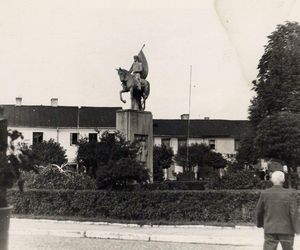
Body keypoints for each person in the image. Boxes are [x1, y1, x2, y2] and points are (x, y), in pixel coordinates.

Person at [255, 170, 300, 250]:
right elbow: (294, 213)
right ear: (283, 180)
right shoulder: (290, 194)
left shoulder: (265, 194)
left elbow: (259, 211)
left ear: (272, 180)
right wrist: (297, 228)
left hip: (270, 228)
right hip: (287, 229)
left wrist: (260, 224)